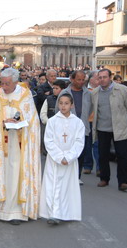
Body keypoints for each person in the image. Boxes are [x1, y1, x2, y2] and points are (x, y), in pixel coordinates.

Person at [0, 68, 41, 225]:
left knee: (16, 174)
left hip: (19, 143)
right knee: (3, 173)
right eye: (2, 83)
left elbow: (32, 119)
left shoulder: (25, 94)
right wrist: (1, 123)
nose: (4, 86)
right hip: (0, 144)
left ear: (16, 82)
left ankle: (15, 212)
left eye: (7, 83)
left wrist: (20, 121)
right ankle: (0, 209)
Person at [40, 93, 85, 225]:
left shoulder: (78, 123)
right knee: (52, 186)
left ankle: (66, 212)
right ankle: (53, 213)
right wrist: (59, 157)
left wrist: (69, 156)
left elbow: (79, 141)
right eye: (61, 103)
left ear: (72, 105)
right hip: (54, 159)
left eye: (66, 103)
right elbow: (48, 141)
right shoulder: (52, 121)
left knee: (67, 186)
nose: (63, 106)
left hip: (70, 161)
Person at [92, 69, 127, 191]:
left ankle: (123, 182)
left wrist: (119, 118)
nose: (102, 79)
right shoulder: (95, 93)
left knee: (122, 155)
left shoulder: (122, 90)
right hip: (102, 128)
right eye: (100, 77)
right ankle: (104, 179)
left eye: (105, 77)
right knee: (103, 155)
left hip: (120, 128)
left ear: (110, 77)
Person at [57, 70, 92, 185]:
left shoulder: (88, 94)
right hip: (67, 129)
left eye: (83, 80)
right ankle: (65, 176)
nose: (81, 82)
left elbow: (90, 110)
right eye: (79, 79)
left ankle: (77, 176)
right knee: (67, 152)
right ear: (72, 79)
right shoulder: (64, 93)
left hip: (82, 128)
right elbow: (58, 110)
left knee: (80, 153)